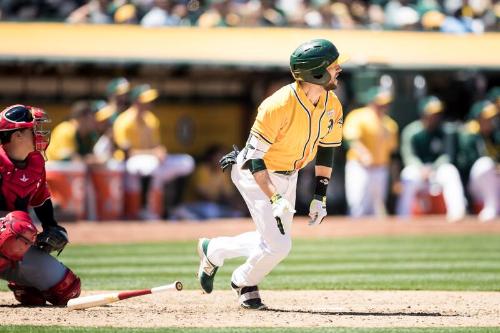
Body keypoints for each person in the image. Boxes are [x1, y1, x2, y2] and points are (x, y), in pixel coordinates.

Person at [196, 39, 345, 309]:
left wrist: (319, 197)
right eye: (333, 66)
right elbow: (255, 158)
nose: (339, 69)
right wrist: (275, 197)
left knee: (271, 240)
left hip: (291, 172)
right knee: (279, 246)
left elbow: (327, 149)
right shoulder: (277, 105)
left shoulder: (332, 103)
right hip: (255, 173)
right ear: (317, 73)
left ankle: (214, 250)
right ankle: (243, 281)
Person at [0, 104, 81, 305]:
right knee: (18, 225)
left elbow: (41, 200)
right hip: (10, 232)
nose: (40, 133)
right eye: (33, 129)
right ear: (17, 135)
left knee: (67, 289)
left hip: (12, 240)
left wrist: (52, 227)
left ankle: (24, 284)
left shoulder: (35, 163)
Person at [113, 84, 194, 220]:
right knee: (149, 164)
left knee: (186, 162)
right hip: (128, 164)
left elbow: (155, 145)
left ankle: (176, 207)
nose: (149, 104)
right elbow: (127, 153)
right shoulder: (124, 121)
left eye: (150, 101)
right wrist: (152, 153)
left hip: (151, 161)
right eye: (145, 101)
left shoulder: (151, 119)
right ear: (135, 101)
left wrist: (160, 150)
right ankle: (143, 208)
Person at [397, 95, 466, 222]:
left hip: (436, 170)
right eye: (432, 114)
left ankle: (457, 214)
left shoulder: (445, 130)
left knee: (450, 171)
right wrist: (421, 169)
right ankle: (403, 216)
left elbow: (447, 156)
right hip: (418, 170)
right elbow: (408, 156)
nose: (436, 117)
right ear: (423, 114)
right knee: (408, 175)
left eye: (437, 113)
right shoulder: (412, 131)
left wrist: (432, 168)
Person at [343, 86, 398, 217]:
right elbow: (351, 139)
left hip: (380, 169)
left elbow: (393, 153)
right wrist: (363, 153)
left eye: (386, 104)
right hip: (360, 167)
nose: (383, 107)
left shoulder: (390, 124)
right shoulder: (358, 115)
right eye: (380, 104)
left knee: (377, 209)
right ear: (371, 102)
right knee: (358, 205)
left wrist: (395, 178)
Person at [456, 100, 499, 222]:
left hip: (495, 181)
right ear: (478, 119)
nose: (491, 121)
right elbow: (467, 165)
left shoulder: (494, 135)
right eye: (487, 118)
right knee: (485, 164)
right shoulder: (469, 136)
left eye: (492, 118)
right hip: (475, 185)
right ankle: (491, 209)